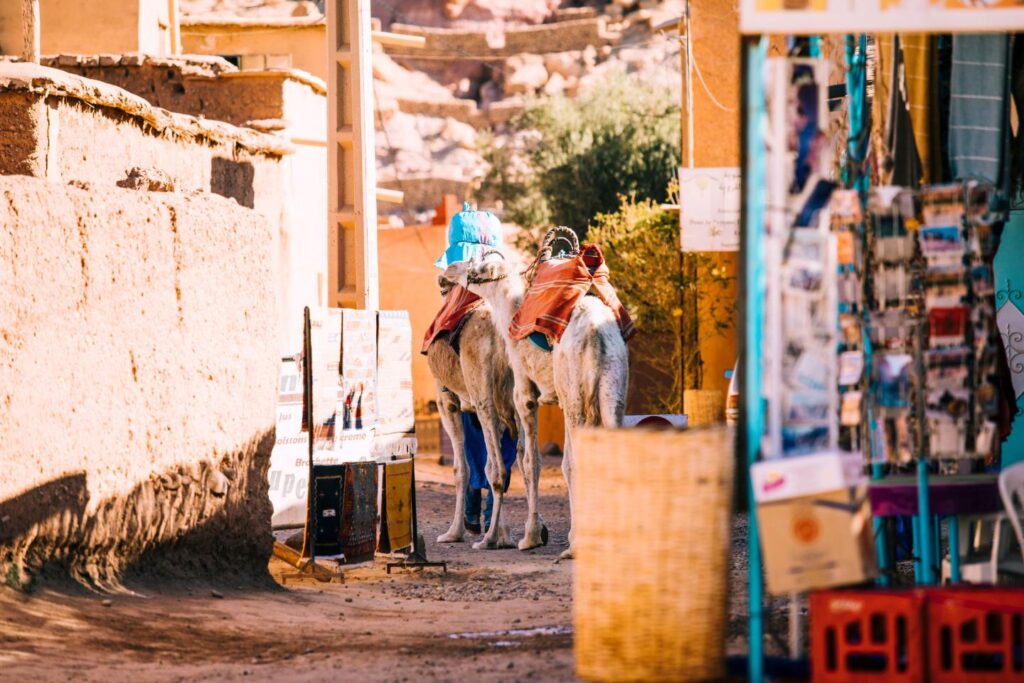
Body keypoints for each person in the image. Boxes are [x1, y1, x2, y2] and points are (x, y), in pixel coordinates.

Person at [459, 411, 517, 534]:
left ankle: (472, 517)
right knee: (499, 457)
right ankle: (490, 519)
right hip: (503, 408)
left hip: (473, 409)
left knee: (474, 456)